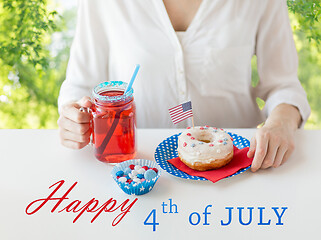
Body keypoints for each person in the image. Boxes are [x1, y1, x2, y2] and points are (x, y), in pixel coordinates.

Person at [57, 0, 310, 172]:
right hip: (140, 172)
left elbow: (284, 85)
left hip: (240, 170)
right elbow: (80, 86)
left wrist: (281, 123)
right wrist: (74, 117)